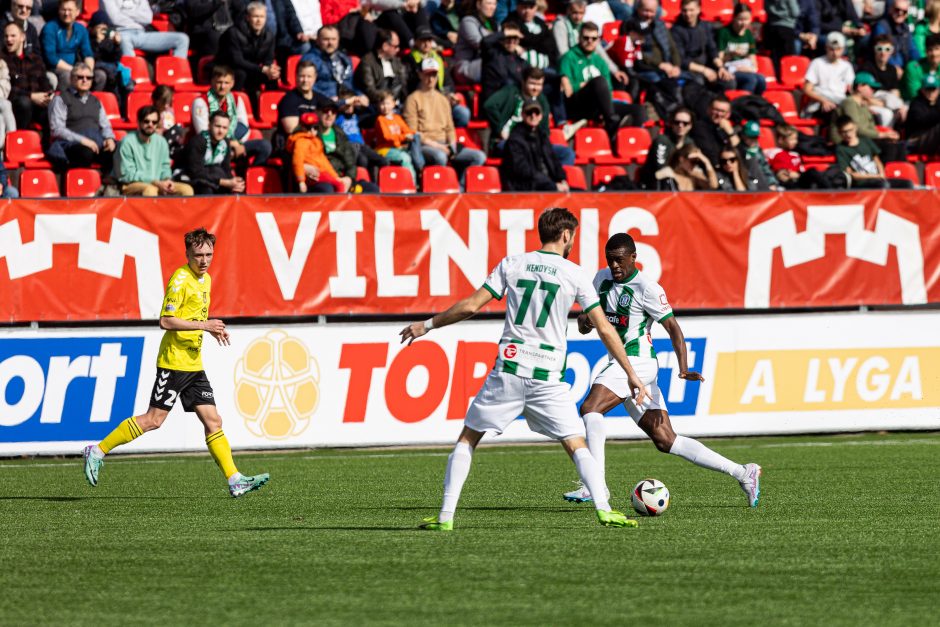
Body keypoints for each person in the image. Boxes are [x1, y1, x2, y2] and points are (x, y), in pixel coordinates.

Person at [400, 207, 651, 531]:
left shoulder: (512, 264)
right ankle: (604, 510)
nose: (572, 240)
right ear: (565, 235)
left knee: (468, 438)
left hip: (509, 368)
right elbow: (604, 328)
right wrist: (631, 373)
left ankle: (445, 517)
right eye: (572, 235)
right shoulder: (573, 273)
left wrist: (428, 325)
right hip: (547, 376)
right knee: (576, 443)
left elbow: (471, 306)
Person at [560, 233, 762, 507]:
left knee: (590, 408)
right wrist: (584, 321)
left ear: (633, 258)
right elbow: (588, 319)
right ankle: (742, 472)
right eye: (610, 260)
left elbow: (673, 328)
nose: (615, 266)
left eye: (619, 260)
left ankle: (594, 485)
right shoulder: (601, 279)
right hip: (622, 363)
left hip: (637, 361)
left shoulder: (647, 288)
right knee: (666, 440)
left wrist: (683, 368)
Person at [83, 228, 270, 498]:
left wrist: (212, 329)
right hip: (173, 363)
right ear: (187, 255)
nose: (204, 260)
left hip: (193, 364)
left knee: (213, 420)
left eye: (208, 254)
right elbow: (165, 321)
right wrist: (205, 325)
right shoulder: (180, 280)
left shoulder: (205, 280)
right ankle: (97, 450)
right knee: (153, 420)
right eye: (198, 256)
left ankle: (234, 479)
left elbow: (193, 318)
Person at [403, 59, 485, 178]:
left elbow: (450, 128)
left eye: (434, 75)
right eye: (427, 74)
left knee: (479, 157)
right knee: (440, 156)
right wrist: (440, 147)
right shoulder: (412, 99)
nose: (431, 79)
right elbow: (414, 133)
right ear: (420, 74)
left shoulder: (443, 100)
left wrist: (451, 145)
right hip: (426, 145)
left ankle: (460, 188)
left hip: (444, 143)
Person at [484, 65, 577, 165]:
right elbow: (489, 106)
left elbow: (544, 130)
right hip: (507, 142)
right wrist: (500, 129)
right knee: (519, 150)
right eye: (532, 84)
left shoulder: (542, 101)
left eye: (539, 84)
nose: (535, 88)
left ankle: (560, 180)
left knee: (567, 153)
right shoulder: (511, 92)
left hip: (532, 144)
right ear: (523, 81)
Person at [559, 21, 633, 137]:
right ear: (579, 38)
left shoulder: (600, 61)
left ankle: (621, 141)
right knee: (599, 82)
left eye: (594, 38)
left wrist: (586, 84)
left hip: (599, 106)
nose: (590, 41)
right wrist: (585, 85)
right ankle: (612, 123)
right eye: (586, 38)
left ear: (598, 40)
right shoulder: (568, 58)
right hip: (578, 105)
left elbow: (607, 90)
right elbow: (568, 91)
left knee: (638, 111)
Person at [192, 65, 272, 169]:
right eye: (219, 82)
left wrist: (238, 146)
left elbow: (243, 127)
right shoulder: (200, 102)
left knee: (264, 146)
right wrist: (230, 143)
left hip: (234, 143)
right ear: (212, 82)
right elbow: (203, 133)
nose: (223, 86)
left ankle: (250, 176)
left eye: (226, 83)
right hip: (210, 146)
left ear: (232, 84)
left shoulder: (236, 99)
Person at [47, 63, 116, 171]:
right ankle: (79, 185)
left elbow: (105, 125)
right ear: (71, 78)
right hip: (71, 144)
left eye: (89, 78)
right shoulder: (61, 99)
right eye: (80, 77)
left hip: (95, 142)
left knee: (119, 149)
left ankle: (107, 184)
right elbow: (57, 130)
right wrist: (82, 140)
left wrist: (109, 138)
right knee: (85, 153)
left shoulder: (96, 101)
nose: (85, 80)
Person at [115, 105, 195, 196]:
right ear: (138, 122)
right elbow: (126, 174)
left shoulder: (161, 141)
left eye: (154, 122)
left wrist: (166, 181)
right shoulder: (127, 142)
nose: (150, 124)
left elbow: (165, 167)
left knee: (187, 190)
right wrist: (154, 182)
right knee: (150, 190)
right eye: (146, 121)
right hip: (131, 185)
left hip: (158, 184)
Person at [214, 1, 280, 104]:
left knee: (272, 76)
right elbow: (237, 60)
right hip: (229, 69)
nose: (259, 20)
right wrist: (262, 69)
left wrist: (271, 70)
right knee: (241, 74)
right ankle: (231, 106)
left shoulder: (269, 36)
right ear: (248, 18)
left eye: (262, 17)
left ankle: (271, 109)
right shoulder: (233, 33)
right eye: (255, 16)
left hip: (252, 69)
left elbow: (269, 60)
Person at [405, 25, 470, 127]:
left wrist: (449, 95)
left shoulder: (439, 58)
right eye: (423, 40)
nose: (427, 44)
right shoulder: (408, 61)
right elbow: (409, 87)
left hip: (441, 99)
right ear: (416, 42)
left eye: (429, 40)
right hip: (421, 101)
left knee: (463, 113)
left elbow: (448, 82)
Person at [498, 98, 568, 191]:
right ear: (522, 115)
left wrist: (562, 179)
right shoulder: (515, 140)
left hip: (548, 185)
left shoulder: (542, 136)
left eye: (536, 112)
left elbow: (554, 160)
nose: (533, 116)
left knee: (580, 194)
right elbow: (523, 171)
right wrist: (553, 185)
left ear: (541, 116)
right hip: (527, 188)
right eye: (529, 112)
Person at [317, 99, 380, 192]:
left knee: (372, 189)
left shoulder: (340, 133)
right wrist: (335, 179)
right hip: (324, 179)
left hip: (343, 177)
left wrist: (349, 178)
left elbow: (350, 161)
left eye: (333, 111)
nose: (329, 114)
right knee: (328, 189)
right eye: (325, 110)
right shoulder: (312, 133)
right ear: (317, 112)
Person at [835, 114, 913, 188]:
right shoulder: (841, 149)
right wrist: (876, 176)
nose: (848, 134)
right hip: (862, 183)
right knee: (884, 185)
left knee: (907, 184)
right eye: (844, 132)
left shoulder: (865, 140)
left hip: (879, 179)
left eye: (850, 130)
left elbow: (877, 160)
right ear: (839, 133)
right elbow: (851, 174)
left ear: (855, 127)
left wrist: (881, 174)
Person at [671, 0, 734, 90]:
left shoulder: (706, 26)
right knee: (698, 82)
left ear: (698, 9)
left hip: (707, 66)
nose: (688, 14)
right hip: (689, 70)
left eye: (691, 10)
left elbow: (712, 50)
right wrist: (704, 70)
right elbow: (681, 60)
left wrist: (721, 68)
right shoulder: (676, 30)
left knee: (729, 82)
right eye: (685, 10)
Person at [2, 20, 51, 130]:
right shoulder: (2, 60)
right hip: (16, 105)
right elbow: (10, 89)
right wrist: (31, 96)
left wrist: (49, 95)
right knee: (24, 103)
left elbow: (44, 81)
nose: (9, 39)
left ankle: (49, 144)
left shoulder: (35, 59)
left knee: (55, 106)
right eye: (6, 36)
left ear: (22, 37)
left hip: (38, 104)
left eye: (13, 36)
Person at [182, 110, 246, 195]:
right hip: (193, 179)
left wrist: (233, 182)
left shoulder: (225, 143)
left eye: (224, 128)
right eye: (217, 126)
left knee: (236, 191)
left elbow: (226, 168)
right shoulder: (198, 141)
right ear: (209, 125)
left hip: (213, 178)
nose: (221, 131)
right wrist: (224, 182)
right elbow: (195, 172)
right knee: (206, 189)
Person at [101, 0, 190, 59]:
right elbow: (115, 19)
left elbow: (148, 18)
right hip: (121, 33)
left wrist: (124, 12)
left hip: (141, 33)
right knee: (124, 40)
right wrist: (138, 15)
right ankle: (129, 80)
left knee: (182, 39)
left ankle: (173, 75)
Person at [40, 0, 97, 90]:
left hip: (75, 68)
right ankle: (64, 102)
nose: (66, 13)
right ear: (59, 10)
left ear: (77, 12)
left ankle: (90, 102)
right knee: (67, 76)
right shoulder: (50, 28)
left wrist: (88, 71)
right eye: (63, 10)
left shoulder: (81, 29)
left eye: (70, 10)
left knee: (99, 76)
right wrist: (74, 70)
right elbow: (51, 58)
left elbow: (87, 54)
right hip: (54, 68)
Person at [287, 111, 350, 193]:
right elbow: (297, 161)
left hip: (321, 172)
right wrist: (301, 181)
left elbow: (324, 161)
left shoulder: (316, 141)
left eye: (315, 127)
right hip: (312, 176)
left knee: (340, 184)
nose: (312, 130)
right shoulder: (301, 141)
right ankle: (339, 204)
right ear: (302, 127)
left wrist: (335, 176)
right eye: (308, 127)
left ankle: (338, 203)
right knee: (339, 185)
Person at [830, 72, 902, 142]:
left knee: (896, 145)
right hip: (845, 143)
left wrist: (888, 134)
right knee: (891, 148)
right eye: (871, 87)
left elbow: (870, 126)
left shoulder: (863, 104)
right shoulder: (849, 102)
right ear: (860, 87)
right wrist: (882, 135)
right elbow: (856, 129)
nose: (873, 90)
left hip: (861, 140)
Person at [639, 106, 696, 188]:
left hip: (679, 180)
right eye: (677, 122)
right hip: (655, 183)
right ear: (671, 123)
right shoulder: (662, 140)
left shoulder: (689, 142)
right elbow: (661, 168)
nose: (680, 125)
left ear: (690, 125)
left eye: (685, 123)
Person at [716, 3, 765, 95]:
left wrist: (753, 68)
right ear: (734, 18)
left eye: (747, 19)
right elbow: (719, 58)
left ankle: (756, 103)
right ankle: (742, 104)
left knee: (761, 80)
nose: (744, 23)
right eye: (741, 19)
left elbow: (752, 56)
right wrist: (731, 54)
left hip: (745, 67)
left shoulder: (748, 34)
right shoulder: (724, 32)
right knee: (751, 79)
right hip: (730, 67)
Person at [303, 24, 361, 102]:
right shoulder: (310, 59)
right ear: (317, 40)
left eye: (334, 39)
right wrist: (327, 98)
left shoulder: (344, 59)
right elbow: (307, 85)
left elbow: (353, 83)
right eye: (326, 39)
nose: (330, 43)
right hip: (324, 103)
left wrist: (361, 95)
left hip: (348, 100)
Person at [802, 32, 855, 116]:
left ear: (843, 49)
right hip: (820, 103)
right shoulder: (817, 63)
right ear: (826, 48)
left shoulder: (847, 66)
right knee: (836, 113)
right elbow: (807, 89)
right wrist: (823, 100)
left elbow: (849, 90)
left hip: (840, 102)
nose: (834, 52)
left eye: (838, 49)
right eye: (831, 49)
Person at [858, 34, 907, 123]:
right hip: (873, 103)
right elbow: (863, 95)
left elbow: (895, 92)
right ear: (874, 50)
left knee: (906, 110)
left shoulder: (892, 69)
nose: (883, 53)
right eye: (879, 49)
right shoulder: (866, 67)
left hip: (889, 103)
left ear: (892, 51)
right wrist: (883, 103)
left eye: (887, 49)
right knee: (887, 114)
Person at [375, 88, 423, 179]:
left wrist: (414, 133)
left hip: (397, 148)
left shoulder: (397, 118)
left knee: (413, 149)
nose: (385, 107)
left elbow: (406, 130)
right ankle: (411, 184)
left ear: (393, 104)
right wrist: (404, 137)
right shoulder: (380, 120)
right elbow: (387, 137)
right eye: (382, 104)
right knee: (405, 158)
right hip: (384, 149)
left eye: (387, 103)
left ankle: (420, 170)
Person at [769, 123, 835, 189]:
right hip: (786, 184)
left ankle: (831, 192)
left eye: (796, 139)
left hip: (798, 180)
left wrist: (798, 175)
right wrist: (788, 174)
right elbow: (778, 173)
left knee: (813, 172)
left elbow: (800, 170)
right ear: (781, 140)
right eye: (792, 139)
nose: (795, 142)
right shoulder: (775, 153)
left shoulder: (795, 154)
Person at [480, 21, 530, 107]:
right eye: (508, 37)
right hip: (494, 101)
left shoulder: (520, 60)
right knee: (509, 83)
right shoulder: (493, 53)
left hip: (516, 101)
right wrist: (506, 33)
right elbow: (485, 42)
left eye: (515, 38)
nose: (511, 41)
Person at [454, 0, 497, 84]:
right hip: (467, 67)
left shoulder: (494, 25)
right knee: (498, 63)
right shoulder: (468, 21)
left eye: (494, 4)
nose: (492, 7)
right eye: (489, 3)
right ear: (478, 5)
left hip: (487, 64)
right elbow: (481, 44)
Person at [690, 94, 740, 165]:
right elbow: (709, 153)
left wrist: (730, 131)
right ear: (708, 110)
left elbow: (739, 150)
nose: (718, 114)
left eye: (722, 111)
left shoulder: (727, 128)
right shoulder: (699, 127)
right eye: (716, 110)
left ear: (728, 114)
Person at [873, 0, 921, 66]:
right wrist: (895, 69)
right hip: (886, 68)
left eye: (904, 11)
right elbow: (883, 52)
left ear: (907, 14)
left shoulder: (905, 28)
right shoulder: (881, 26)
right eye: (897, 10)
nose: (900, 13)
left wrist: (918, 63)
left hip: (904, 67)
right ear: (891, 9)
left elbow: (912, 49)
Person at [739, 119, 780, 190]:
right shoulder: (739, 149)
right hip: (750, 186)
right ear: (743, 136)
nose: (754, 140)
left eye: (756, 137)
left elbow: (765, 167)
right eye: (751, 137)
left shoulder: (757, 149)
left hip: (763, 184)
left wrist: (772, 183)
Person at [902, 33, 940, 99]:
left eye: (937, 49)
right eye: (930, 50)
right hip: (910, 104)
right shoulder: (913, 67)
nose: (934, 54)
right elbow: (914, 94)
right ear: (925, 51)